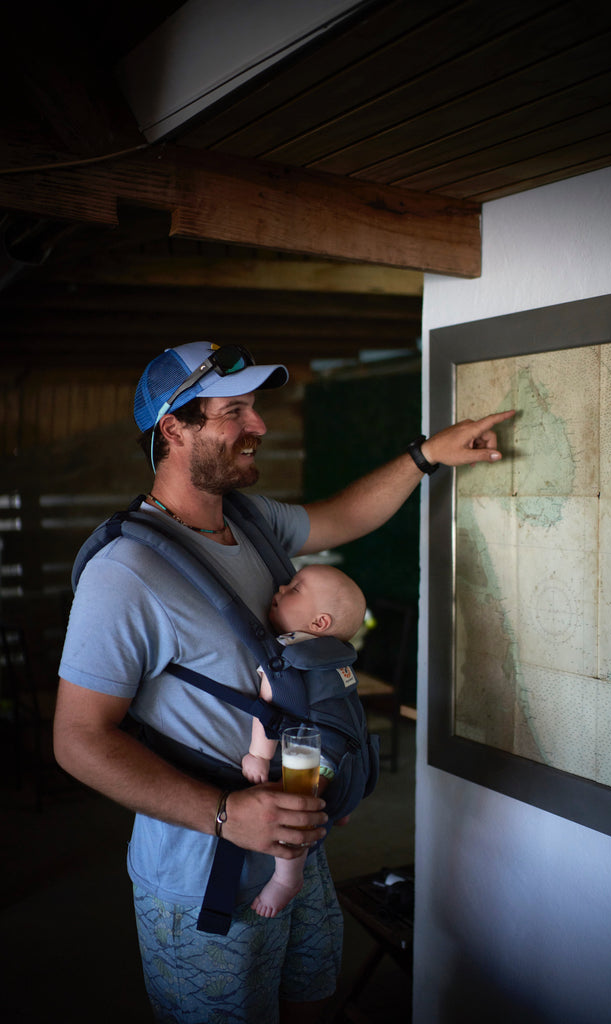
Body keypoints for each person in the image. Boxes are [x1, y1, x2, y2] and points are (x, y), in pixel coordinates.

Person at [53, 340, 514, 1024]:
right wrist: (223, 813)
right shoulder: (125, 572)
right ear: (174, 429)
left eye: (256, 408)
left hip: (294, 848)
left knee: (311, 1005)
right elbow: (77, 740)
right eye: (235, 410)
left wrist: (425, 457)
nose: (259, 426)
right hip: (199, 871)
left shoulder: (251, 522)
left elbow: (343, 516)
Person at [242, 563, 367, 918]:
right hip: (341, 754)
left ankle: (286, 878)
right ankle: (335, 806)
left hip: (310, 757)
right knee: (311, 800)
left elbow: (270, 705)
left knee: (289, 816)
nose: (281, 587)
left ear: (319, 623)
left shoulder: (288, 658)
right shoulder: (334, 657)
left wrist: (258, 757)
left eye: (295, 589)